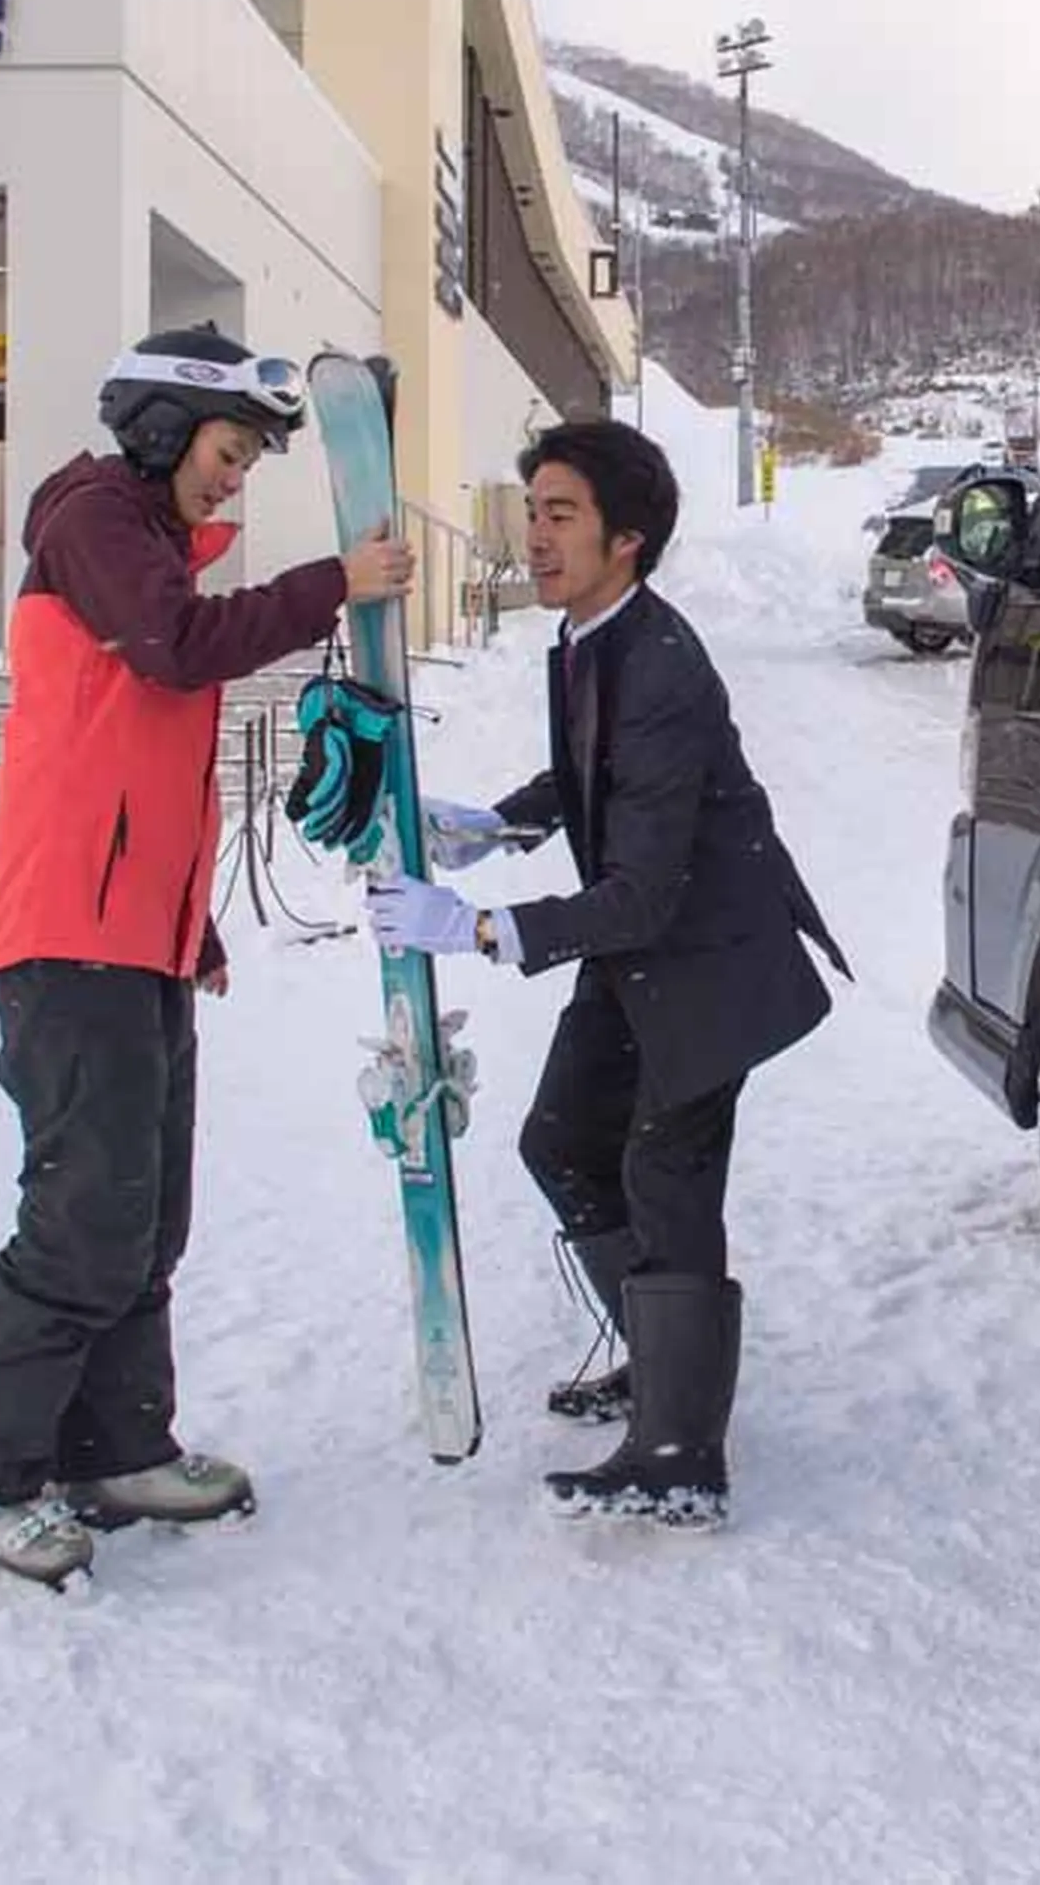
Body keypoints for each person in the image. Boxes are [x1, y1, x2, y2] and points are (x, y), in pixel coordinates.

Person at [0, 327, 413, 1589]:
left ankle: (115, 1449)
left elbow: (136, 756)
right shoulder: (91, 520)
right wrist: (330, 586)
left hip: (134, 937)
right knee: (83, 1219)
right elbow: (176, 648)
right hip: (67, 939)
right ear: (162, 427)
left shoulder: (137, 542)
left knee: (143, 1220)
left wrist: (193, 921)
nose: (235, 478)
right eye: (229, 452)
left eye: (245, 461)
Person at [369, 419, 846, 1531]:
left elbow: (640, 891)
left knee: (667, 1179)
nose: (533, 536)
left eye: (561, 515)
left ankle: (682, 1453)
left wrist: (476, 927)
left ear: (626, 539)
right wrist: (502, 821)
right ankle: (659, 1363)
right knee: (560, 1143)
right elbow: (592, 766)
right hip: (640, 960)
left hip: (706, 960)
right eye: (530, 510)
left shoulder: (664, 666)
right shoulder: (591, 637)